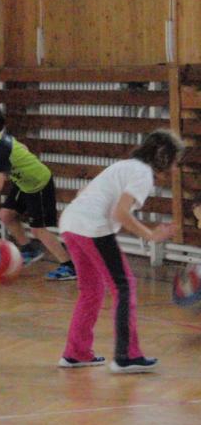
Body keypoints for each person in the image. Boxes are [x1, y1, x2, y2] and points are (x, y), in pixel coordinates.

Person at [57, 129, 184, 373]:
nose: (175, 168)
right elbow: (120, 212)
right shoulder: (143, 174)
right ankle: (126, 356)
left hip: (70, 224)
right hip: (92, 228)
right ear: (163, 157)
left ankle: (76, 353)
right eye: (175, 161)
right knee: (124, 286)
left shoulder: (124, 166)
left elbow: (83, 193)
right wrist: (151, 235)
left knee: (91, 291)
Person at [0, 104, 76, 281]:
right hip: (24, 183)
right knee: (6, 215)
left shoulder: (2, 149)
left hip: (39, 184)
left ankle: (69, 266)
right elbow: (22, 147)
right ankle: (29, 250)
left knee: (38, 230)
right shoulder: (1, 141)